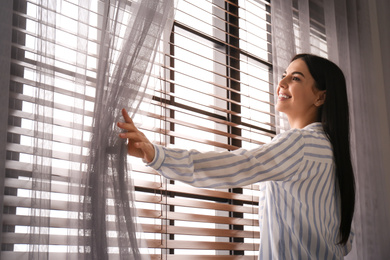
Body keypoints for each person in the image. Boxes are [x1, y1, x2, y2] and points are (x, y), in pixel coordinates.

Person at [117, 53, 355, 259]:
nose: (281, 82)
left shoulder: (301, 144)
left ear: (320, 97)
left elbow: (237, 165)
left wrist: (157, 155)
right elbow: (345, 241)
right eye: (284, 74)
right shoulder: (329, 151)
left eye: (295, 78)